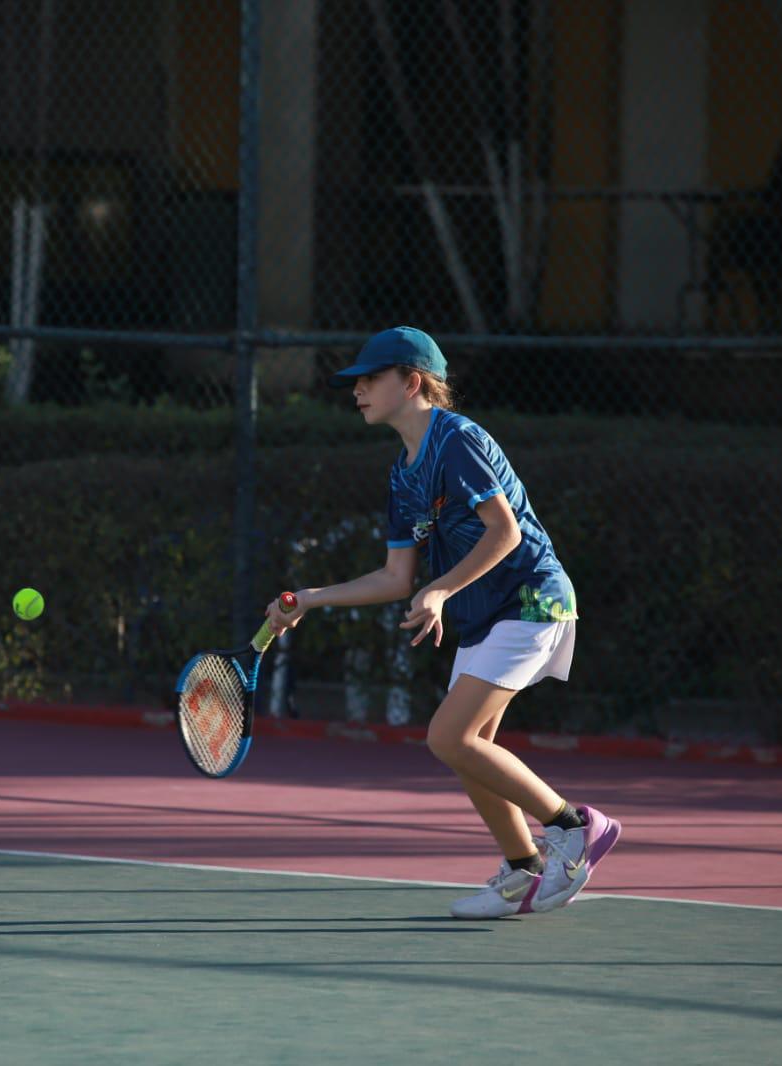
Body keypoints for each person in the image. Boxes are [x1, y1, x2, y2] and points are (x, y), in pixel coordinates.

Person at [266, 326, 620, 919]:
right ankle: (523, 869)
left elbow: (504, 532)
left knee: (446, 737)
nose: (357, 391)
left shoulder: (456, 441)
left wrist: (441, 590)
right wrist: (308, 598)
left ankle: (576, 826)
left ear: (411, 382)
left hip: (532, 599)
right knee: (469, 746)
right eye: (355, 383)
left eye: (370, 380)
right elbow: (394, 578)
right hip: (485, 614)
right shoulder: (402, 475)